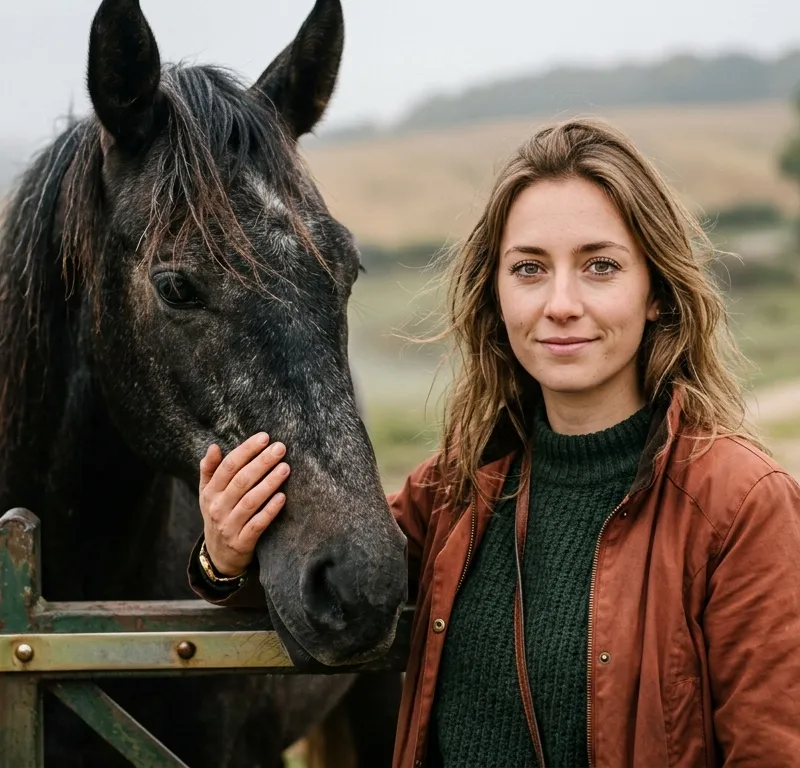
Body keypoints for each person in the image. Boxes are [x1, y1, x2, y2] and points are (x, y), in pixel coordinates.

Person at [187, 118, 800, 767]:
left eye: (600, 266)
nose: (561, 303)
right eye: (530, 269)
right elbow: (333, 595)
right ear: (497, 292)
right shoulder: (458, 492)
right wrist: (221, 560)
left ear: (654, 292)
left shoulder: (742, 505)